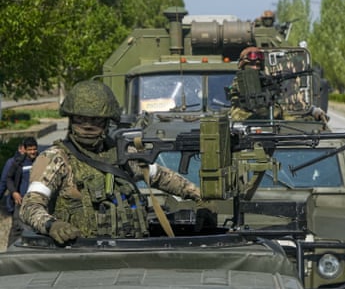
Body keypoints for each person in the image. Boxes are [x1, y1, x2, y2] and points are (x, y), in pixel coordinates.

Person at [20, 80, 203, 245]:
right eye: (80, 119)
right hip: (80, 255)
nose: (87, 125)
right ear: (71, 119)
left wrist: (200, 196)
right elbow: (29, 207)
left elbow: (160, 176)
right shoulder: (56, 159)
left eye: (95, 120)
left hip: (132, 251)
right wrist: (52, 225)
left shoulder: (121, 154)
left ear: (108, 122)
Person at [228, 46, 327, 122]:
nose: (255, 68)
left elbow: (277, 107)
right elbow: (256, 105)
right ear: (243, 65)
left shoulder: (262, 79)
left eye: (258, 65)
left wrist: (311, 112)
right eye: (252, 65)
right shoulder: (240, 80)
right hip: (244, 118)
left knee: (297, 122)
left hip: (267, 118)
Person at [5, 137, 38, 247]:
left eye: (34, 149)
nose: (32, 152)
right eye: (30, 149)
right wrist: (14, 192)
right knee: (17, 229)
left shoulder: (41, 161)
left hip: (37, 202)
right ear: (24, 149)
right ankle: (10, 252)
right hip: (21, 202)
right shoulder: (18, 163)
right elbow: (8, 179)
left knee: (35, 228)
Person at [0, 142, 25, 248]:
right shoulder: (12, 162)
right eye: (26, 149)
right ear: (20, 149)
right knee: (16, 229)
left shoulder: (35, 161)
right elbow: (4, 181)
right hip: (16, 203)